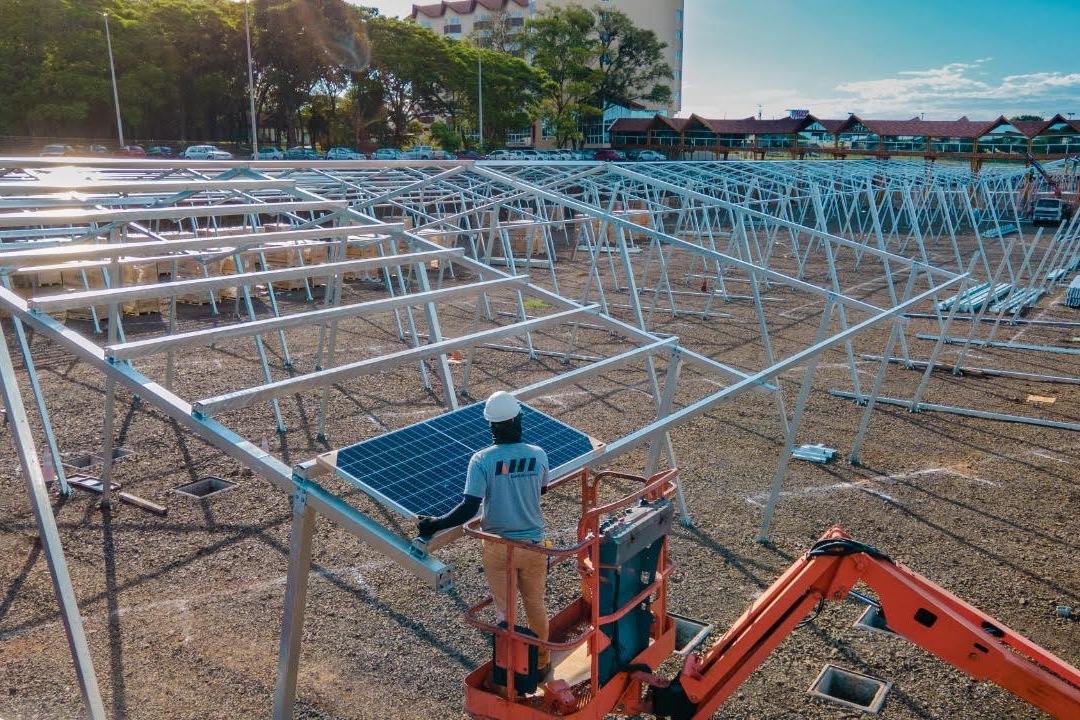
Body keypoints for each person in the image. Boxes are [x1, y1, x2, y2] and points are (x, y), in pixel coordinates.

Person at [417, 390, 551, 674]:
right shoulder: (539, 455)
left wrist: (435, 524)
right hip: (535, 546)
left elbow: (469, 508)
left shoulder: (481, 460)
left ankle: (512, 669)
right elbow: (541, 490)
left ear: (491, 425)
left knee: (506, 611)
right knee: (535, 605)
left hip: (498, 546)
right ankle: (541, 662)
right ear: (519, 419)